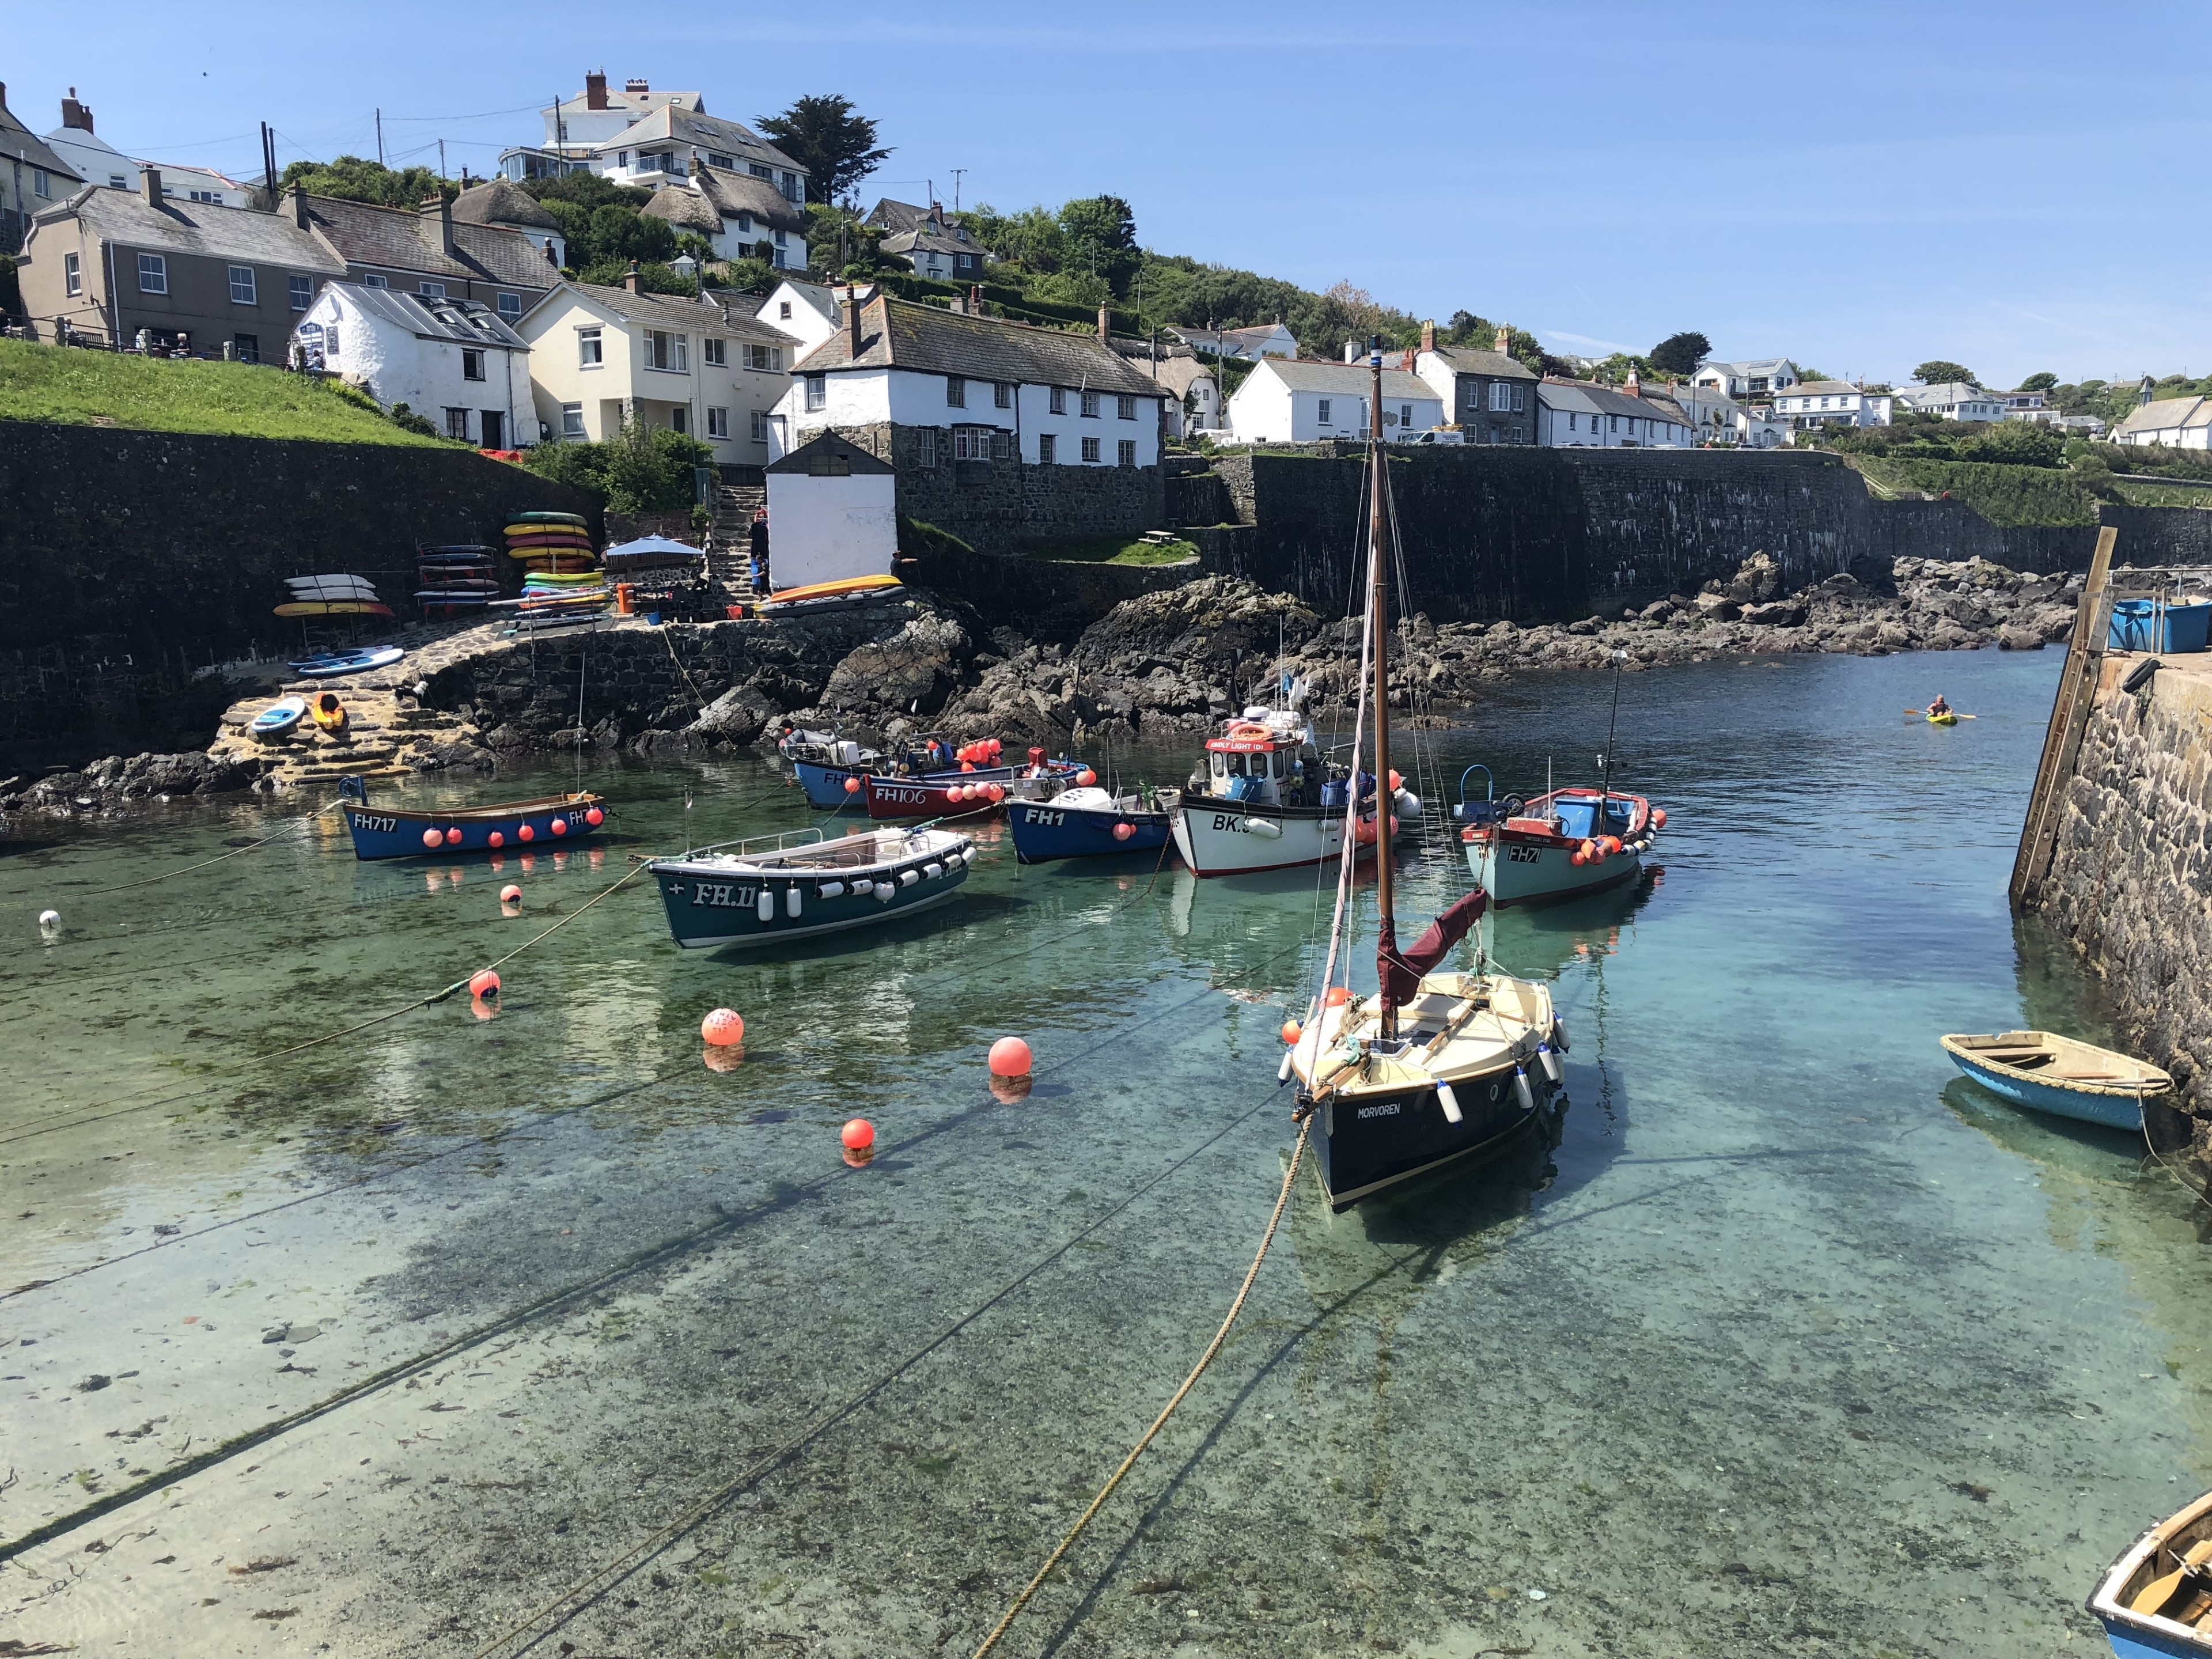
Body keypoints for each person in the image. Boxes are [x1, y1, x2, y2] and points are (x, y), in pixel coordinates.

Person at [747, 509, 770, 593]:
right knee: (756, 567)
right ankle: (756, 586)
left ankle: (760, 587)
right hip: (757, 549)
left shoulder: (766, 526)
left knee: (764, 568)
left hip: (763, 549)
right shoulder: (755, 526)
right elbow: (750, 534)